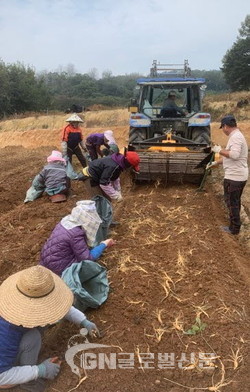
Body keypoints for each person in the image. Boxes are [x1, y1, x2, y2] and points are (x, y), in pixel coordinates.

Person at [0, 265, 99, 390]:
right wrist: (39, 371)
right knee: (32, 337)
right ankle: (28, 385)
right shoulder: (5, 333)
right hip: (3, 373)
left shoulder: (13, 300)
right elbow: (2, 376)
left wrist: (84, 321)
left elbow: (59, 306)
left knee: (41, 325)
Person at [40, 200, 115, 276]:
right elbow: (88, 258)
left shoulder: (66, 222)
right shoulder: (76, 234)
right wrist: (104, 244)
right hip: (59, 269)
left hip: (46, 263)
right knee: (93, 269)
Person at [207, 115, 248, 235]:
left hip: (235, 177)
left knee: (232, 203)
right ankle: (234, 226)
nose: (223, 130)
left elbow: (234, 155)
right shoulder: (236, 136)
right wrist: (215, 162)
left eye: (222, 128)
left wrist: (219, 150)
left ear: (225, 126)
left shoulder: (235, 137)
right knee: (234, 202)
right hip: (237, 175)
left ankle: (234, 229)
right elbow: (229, 157)